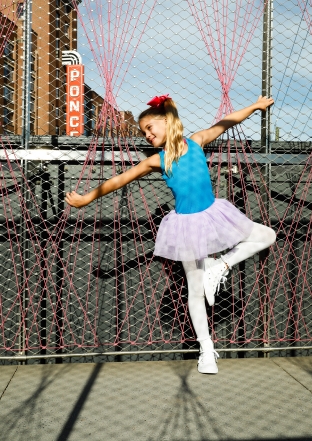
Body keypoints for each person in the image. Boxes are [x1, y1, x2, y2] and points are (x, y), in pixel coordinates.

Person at [65, 94, 276, 375]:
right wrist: (86, 199)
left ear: (167, 122)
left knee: (266, 236)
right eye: (143, 133)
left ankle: (221, 265)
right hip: (186, 226)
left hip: (214, 214)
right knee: (195, 290)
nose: (147, 135)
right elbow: (118, 180)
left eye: (150, 128)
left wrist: (255, 107)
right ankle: (206, 350)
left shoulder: (198, 142)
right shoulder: (157, 161)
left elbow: (227, 122)